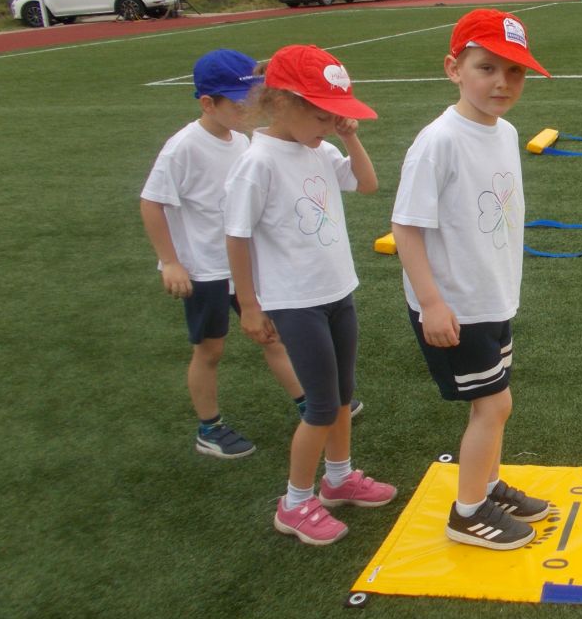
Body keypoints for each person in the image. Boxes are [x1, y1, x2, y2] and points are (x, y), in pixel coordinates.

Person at [392, 9, 552, 551]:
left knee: (495, 402)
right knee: (494, 405)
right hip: (456, 303)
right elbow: (406, 227)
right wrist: (432, 304)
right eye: (486, 68)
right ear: (453, 69)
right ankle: (467, 513)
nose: (502, 82)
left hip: (492, 295)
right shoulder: (438, 141)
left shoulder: (504, 132)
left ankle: (487, 486)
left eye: (515, 71)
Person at [224, 45, 394, 546]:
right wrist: (249, 305)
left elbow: (367, 184)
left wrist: (348, 137)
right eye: (321, 115)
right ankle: (295, 503)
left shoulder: (319, 149)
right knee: (319, 406)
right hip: (294, 301)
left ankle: (338, 478)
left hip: (337, 291)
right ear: (280, 103)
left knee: (341, 396)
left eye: (334, 115)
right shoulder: (257, 163)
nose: (328, 124)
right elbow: (236, 236)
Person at [140, 50, 305, 459]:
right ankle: (209, 428)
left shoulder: (243, 141)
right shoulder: (183, 147)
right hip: (204, 270)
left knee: (272, 335)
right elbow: (151, 202)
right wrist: (171, 261)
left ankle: (309, 403)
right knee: (210, 350)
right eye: (238, 103)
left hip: (241, 267)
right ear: (207, 103)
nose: (248, 110)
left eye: (252, 100)